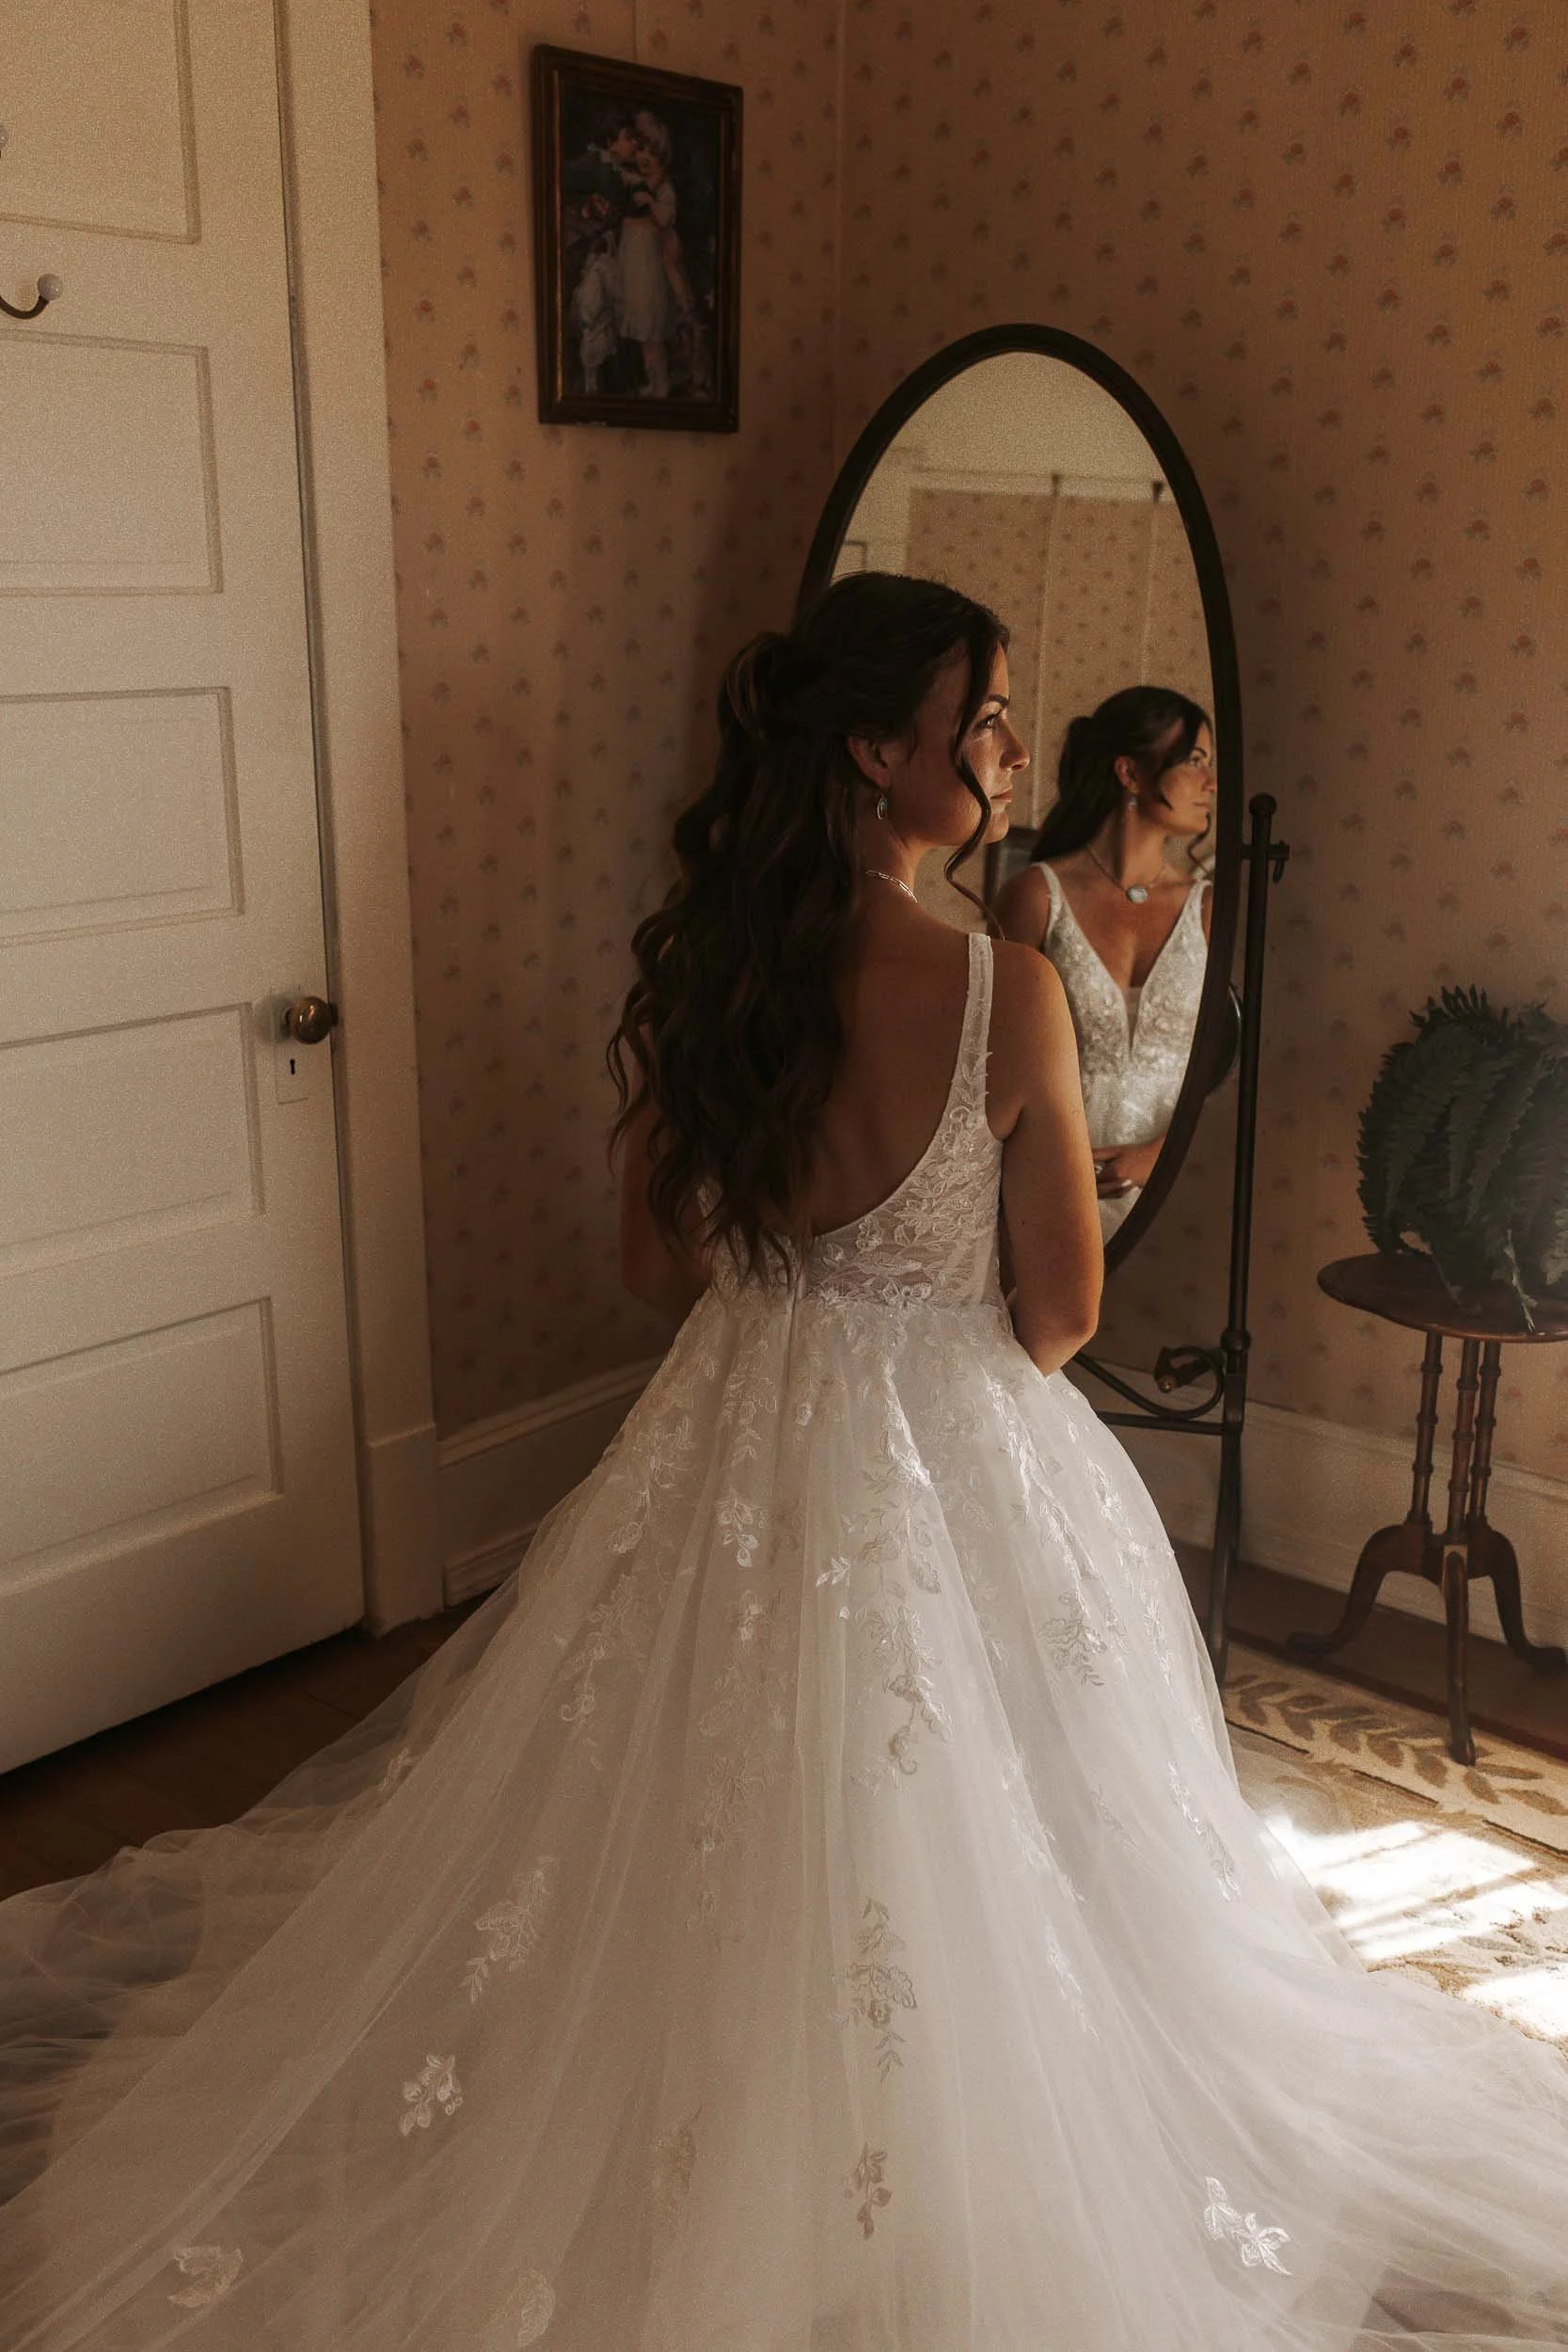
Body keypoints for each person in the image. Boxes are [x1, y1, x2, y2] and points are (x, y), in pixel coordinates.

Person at [2, 575, 1567, 2350]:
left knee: (662, 1774)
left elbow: (651, 1264)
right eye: (981, 720)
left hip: (732, 1412)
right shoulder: (1000, 988)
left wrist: (795, 1292)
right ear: (875, 752)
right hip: (946, 1421)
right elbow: (1059, 1319)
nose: (1005, 753)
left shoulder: (711, 973)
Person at [995, 685, 1215, 1239]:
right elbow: (998, 1057)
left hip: (1180, 1188)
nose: (1211, 783)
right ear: (1130, 773)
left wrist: (1163, 1154)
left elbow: (1231, 1072)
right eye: (1194, 761)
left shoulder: (1210, 909)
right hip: (1055, 1182)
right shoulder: (1036, 896)